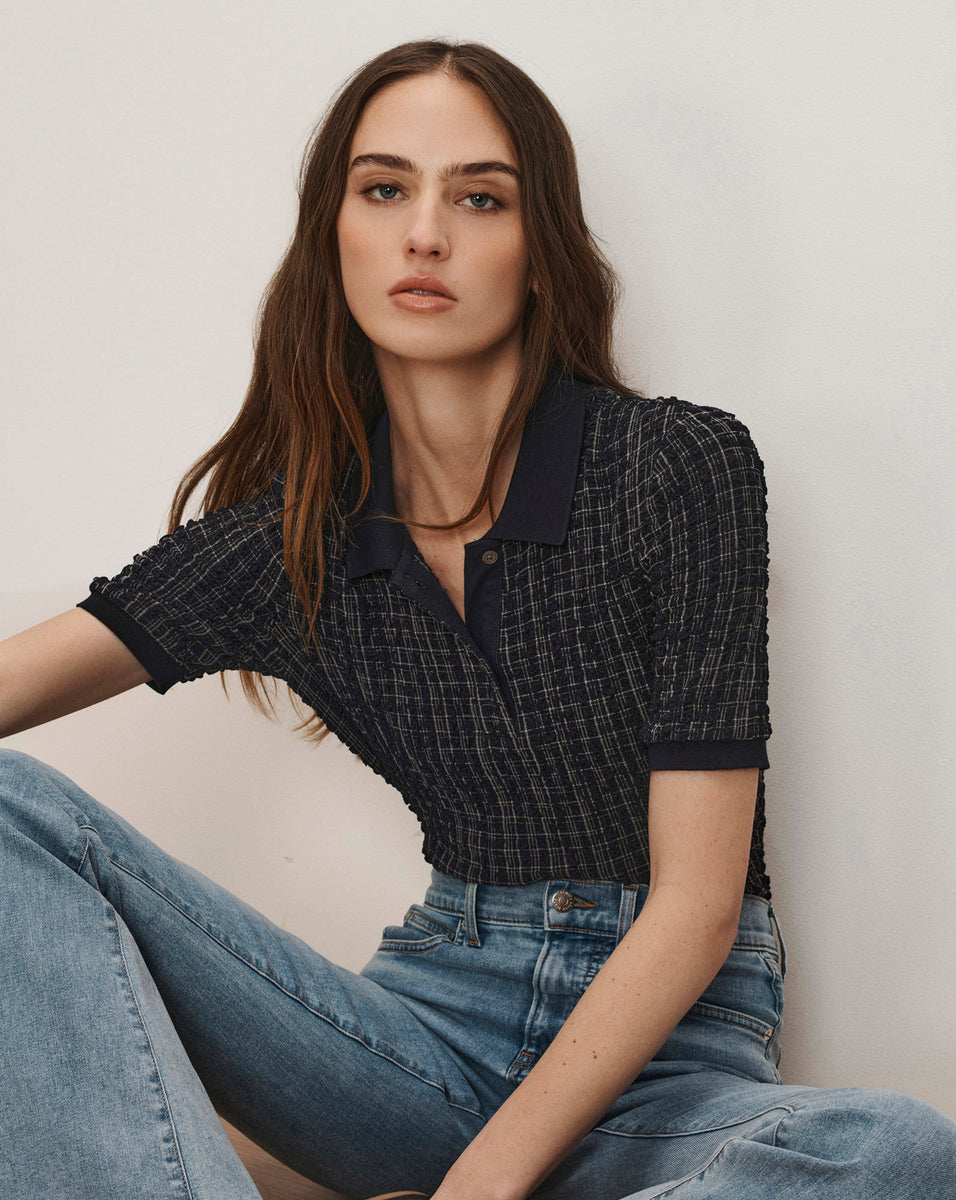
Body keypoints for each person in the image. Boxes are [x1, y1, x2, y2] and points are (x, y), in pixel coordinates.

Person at [0, 38, 953, 1200]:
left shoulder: (674, 465)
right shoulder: (287, 541)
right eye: (383, 189)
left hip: (660, 1077)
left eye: (479, 198)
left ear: (539, 251)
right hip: (419, 1049)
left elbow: (697, 905)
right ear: (331, 240)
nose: (423, 235)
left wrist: (475, 1193)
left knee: (892, 1150)